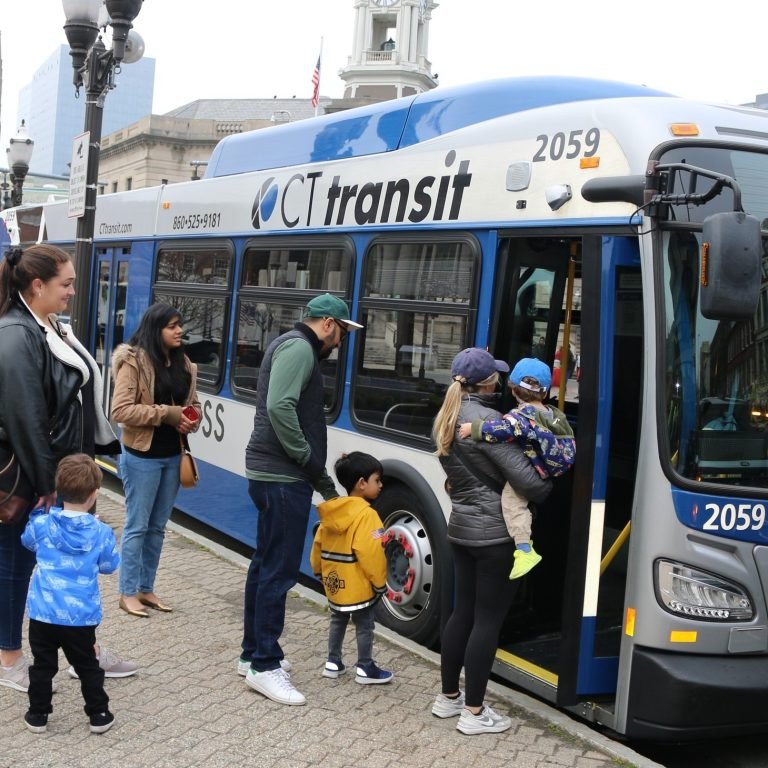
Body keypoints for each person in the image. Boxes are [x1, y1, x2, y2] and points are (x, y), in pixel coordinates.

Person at [0, 244, 136, 695]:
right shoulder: (17, 334)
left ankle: (85, 653)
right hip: (36, 480)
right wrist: (47, 486)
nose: (74, 291)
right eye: (67, 283)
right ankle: (10, 657)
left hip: (60, 472)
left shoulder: (45, 324)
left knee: (69, 570)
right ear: (36, 285)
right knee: (16, 568)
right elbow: (27, 417)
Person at [239, 293, 362, 706]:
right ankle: (264, 664)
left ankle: (252, 653)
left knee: (264, 563)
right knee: (278, 571)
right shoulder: (300, 349)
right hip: (281, 476)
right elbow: (280, 406)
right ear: (327, 323)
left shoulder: (288, 344)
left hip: (274, 474)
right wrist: (311, 463)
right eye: (342, 333)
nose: (340, 343)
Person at [430, 347, 552, 735]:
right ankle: (475, 713)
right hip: (495, 536)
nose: (499, 381)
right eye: (495, 376)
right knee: (487, 622)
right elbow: (531, 484)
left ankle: (447, 699)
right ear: (486, 383)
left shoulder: (446, 415)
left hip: (461, 530)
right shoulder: (489, 421)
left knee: (461, 614)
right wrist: (550, 476)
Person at [111, 302, 201, 618]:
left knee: (158, 527)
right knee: (138, 525)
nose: (179, 331)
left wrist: (192, 416)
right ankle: (127, 592)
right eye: (172, 326)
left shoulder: (185, 364)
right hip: (142, 457)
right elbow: (119, 410)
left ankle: (146, 589)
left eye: (180, 325)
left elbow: (194, 405)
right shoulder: (133, 362)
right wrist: (167, 414)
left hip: (173, 456)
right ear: (156, 329)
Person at [21, 454, 119, 734]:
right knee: (88, 666)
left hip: (43, 614)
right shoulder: (100, 532)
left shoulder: (42, 525)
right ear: (93, 494)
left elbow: (27, 542)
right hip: (80, 618)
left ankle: (37, 715)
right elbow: (110, 566)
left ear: (59, 490)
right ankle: (98, 713)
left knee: (42, 666)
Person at [459, 357, 576, 579]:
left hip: (538, 470)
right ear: (544, 393)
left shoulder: (520, 417)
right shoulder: (553, 414)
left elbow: (502, 429)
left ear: (513, 391)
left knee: (512, 503)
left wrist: (473, 428)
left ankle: (524, 549)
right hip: (558, 468)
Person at [311, 452, 392, 685]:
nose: (381, 485)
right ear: (362, 484)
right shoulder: (368, 516)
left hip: (336, 582)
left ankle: (332, 662)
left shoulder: (332, 512)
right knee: (364, 623)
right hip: (358, 585)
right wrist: (379, 583)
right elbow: (371, 552)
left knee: (338, 619)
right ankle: (365, 666)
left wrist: (321, 574)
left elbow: (317, 544)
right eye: (377, 480)